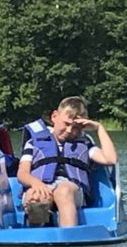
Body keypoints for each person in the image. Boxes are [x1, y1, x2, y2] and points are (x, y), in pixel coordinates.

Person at [17, 96, 117, 227]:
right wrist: (36, 183)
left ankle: (69, 235)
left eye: (76, 127)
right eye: (66, 124)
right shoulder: (33, 143)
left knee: (63, 191)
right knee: (36, 196)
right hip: (42, 185)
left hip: (72, 190)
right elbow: (22, 174)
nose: (70, 130)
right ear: (54, 116)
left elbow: (110, 159)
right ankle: (38, 235)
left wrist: (99, 128)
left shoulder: (85, 144)